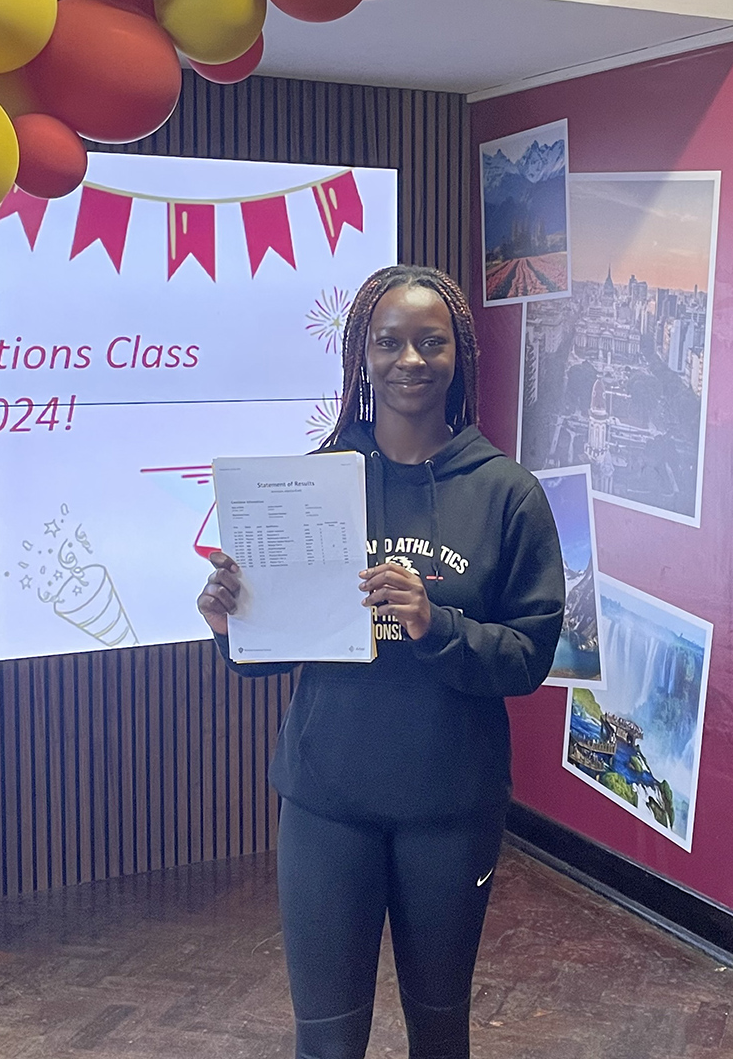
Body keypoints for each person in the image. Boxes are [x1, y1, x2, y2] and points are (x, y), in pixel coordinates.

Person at [197, 264, 564, 1059]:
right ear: (361, 357)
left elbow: (528, 658)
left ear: (459, 356)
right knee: (327, 1041)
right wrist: (235, 626)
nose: (411, 361)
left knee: (439, 1031)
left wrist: (436, 625)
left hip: (451, 806)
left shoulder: (508, 494)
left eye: (431, 342)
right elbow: (274, 653)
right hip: (327, 802)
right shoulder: (313, 484)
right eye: (389, 343)